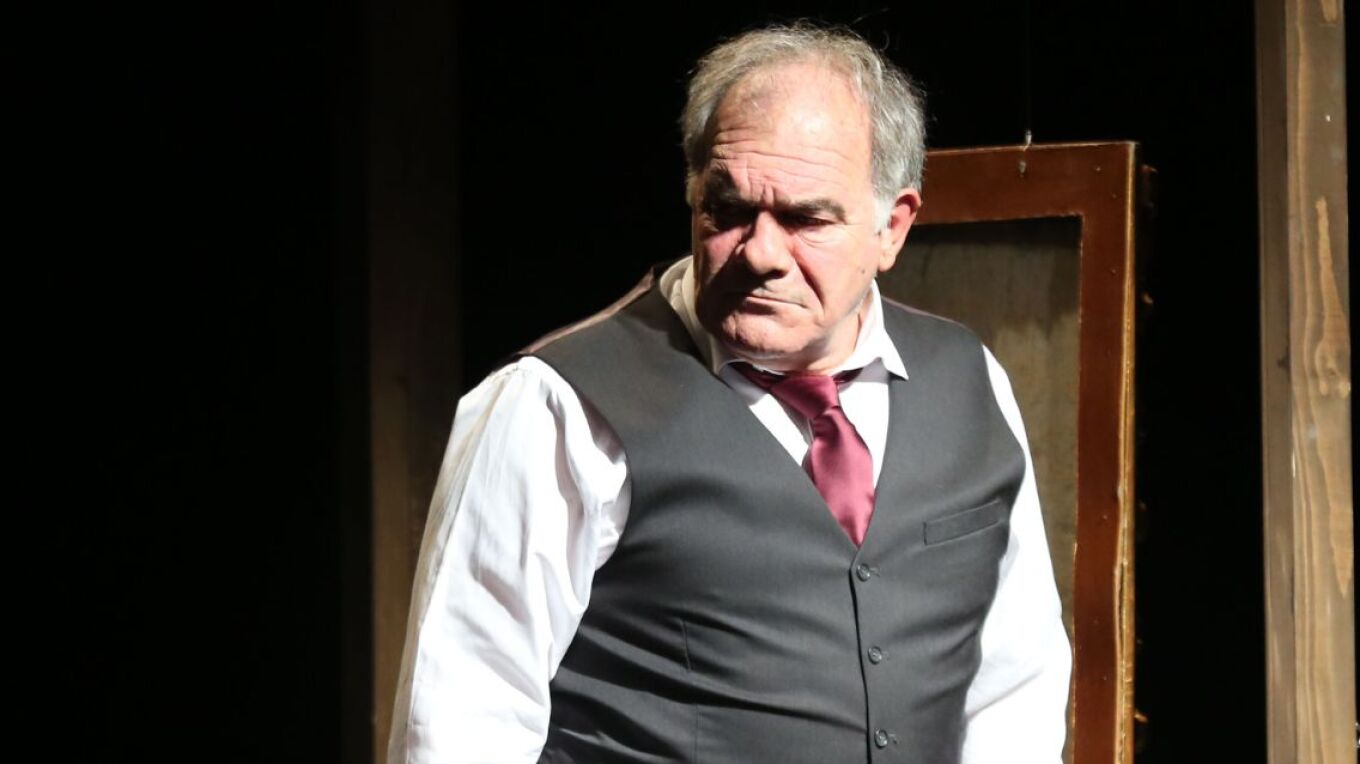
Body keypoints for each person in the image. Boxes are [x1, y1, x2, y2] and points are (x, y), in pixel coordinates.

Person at [388, 23, 1071, 763]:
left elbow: (1016, 682)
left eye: (805, 218)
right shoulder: (559, 405)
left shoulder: (969, 380)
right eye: (730, 210)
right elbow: (462, 721)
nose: (761, 253)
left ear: (892, 228)